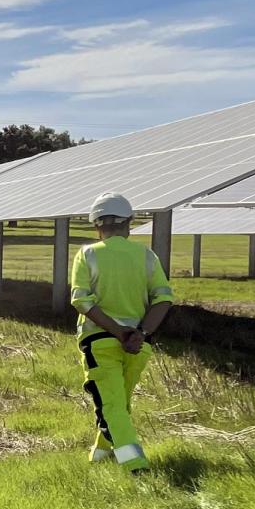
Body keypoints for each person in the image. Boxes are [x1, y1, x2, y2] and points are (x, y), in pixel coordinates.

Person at [70, 192, 173, 472]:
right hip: (138, 345)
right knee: (119, 405)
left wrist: (118, 332)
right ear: (129, 223)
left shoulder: (88, 254)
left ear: (96, 225)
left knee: (112, 407)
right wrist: (139, 333)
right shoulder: (146, 256)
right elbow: (163, 298)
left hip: (100, 342)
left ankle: (136, 466)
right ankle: (100, 457)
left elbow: (81, 300)